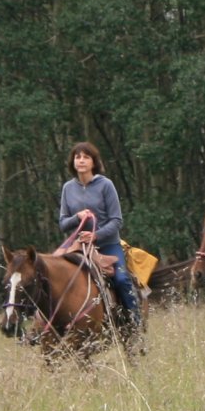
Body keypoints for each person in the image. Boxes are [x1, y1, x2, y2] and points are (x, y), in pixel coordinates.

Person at [58, 141, 142, 332]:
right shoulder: (67, 188)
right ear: (73, 162)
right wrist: (77, 218)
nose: (81, 160)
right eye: (77, 157)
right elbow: (63, 223)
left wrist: (95, 235)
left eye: (86, 157)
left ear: (94, 162)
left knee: (121, 279)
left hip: (108, 245)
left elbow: (116, 221)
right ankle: (46, 327)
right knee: (54, 275)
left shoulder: (106, 185)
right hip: (79, 248)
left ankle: (135, 323)